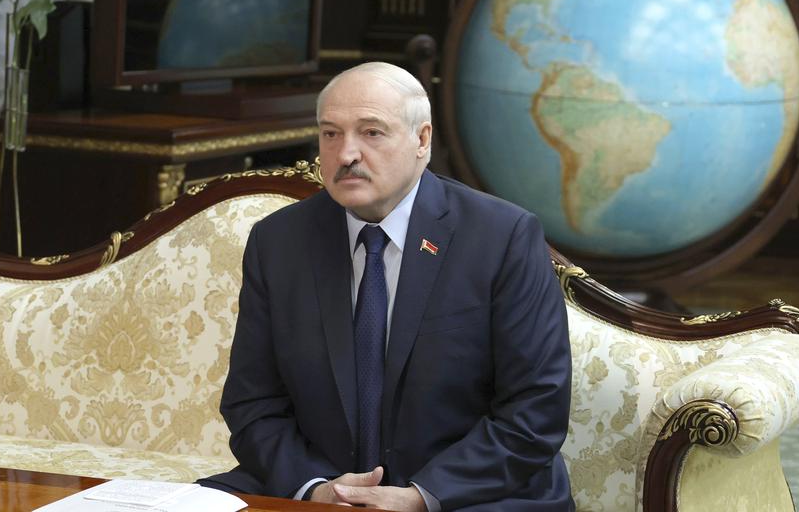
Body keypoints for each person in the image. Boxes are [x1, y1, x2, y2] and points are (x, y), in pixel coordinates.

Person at [200, 62, 574, 511]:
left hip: (468, 495)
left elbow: (535, 414)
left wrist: (418, 498)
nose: (346, 154)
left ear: (422, 140)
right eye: (331, 134)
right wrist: (318, 490)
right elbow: (253, 403)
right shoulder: (278, 241)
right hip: (320, 488)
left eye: (372, 133)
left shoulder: (501, 237)